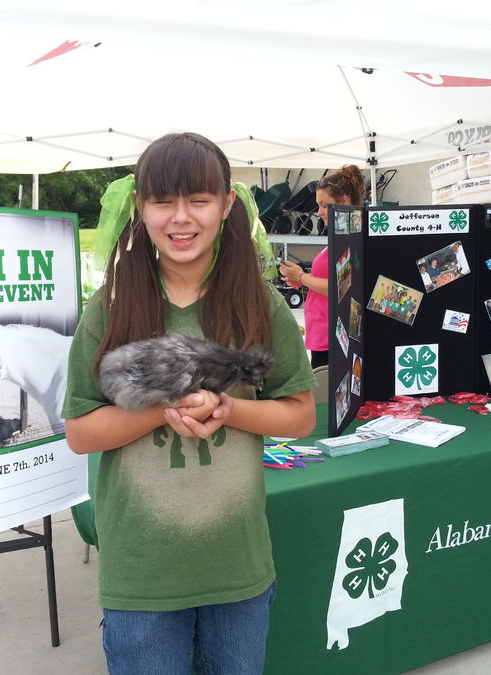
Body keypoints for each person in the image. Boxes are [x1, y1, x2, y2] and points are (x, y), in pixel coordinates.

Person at [61, 132, 316, 675]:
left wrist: (229, 410)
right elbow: (80, 432)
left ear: (227, 206)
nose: (181, 218)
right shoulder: (110, 307)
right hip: (140, 571)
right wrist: (162, 409)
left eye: (199, 200)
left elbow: (299, 413)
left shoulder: (259, 303)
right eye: (163, 201)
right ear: (140, 208)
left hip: (237, 563)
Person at [279, 165, 365, 368]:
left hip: (332, 339)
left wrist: (301, 277)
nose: (319, 212)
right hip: (325, 336)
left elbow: (341, 287)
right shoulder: (342, 238)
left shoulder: (353, 239)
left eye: (324, 205)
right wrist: (302, 280)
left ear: (343, 201)